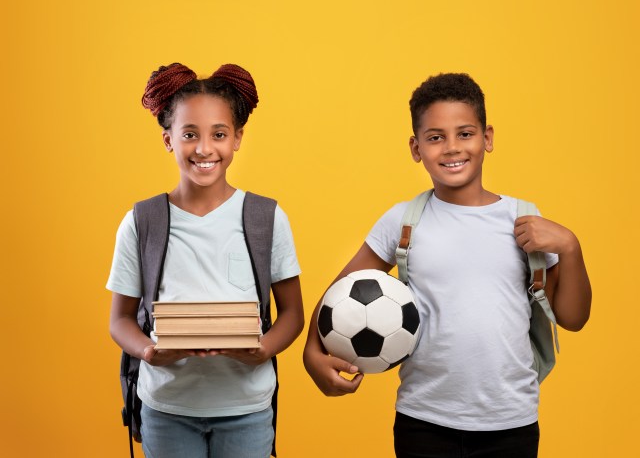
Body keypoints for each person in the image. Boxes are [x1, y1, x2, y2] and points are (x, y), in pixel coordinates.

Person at [303, 73, 591, 458]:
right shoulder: (403, 221)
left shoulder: (524, 220)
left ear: (487, 138)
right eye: (436, 137)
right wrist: (311, 353)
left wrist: (571, 247)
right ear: (416, 147)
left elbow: (573, 318)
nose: (452, 148)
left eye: (465, 134)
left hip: (511, 421)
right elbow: (339, 296)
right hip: (423, 419)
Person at [107, 63, 304, 458]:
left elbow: (293, 314)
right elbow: (120, 320)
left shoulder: (266, 218)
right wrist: (149, 352)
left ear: (237, 139)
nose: (204, 148)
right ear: (168, 140)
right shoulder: (142, 221)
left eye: (218, 134)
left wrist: (264, 350)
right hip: (167, 409)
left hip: (246, 408)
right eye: (189, 135)